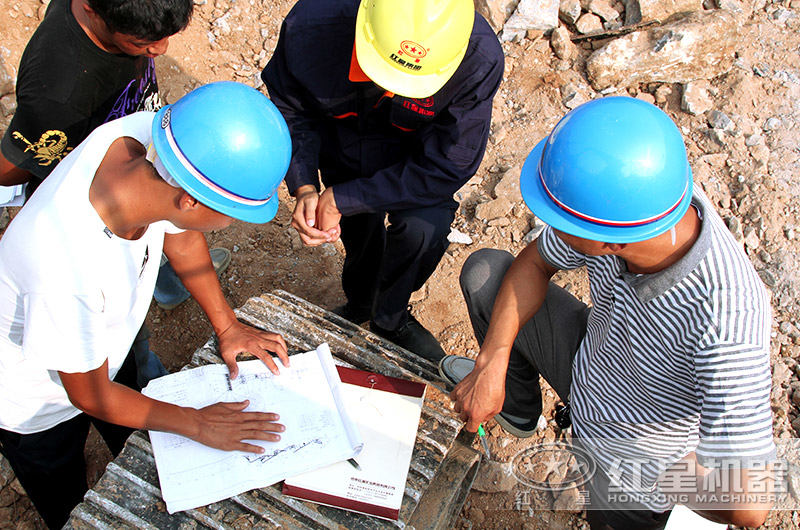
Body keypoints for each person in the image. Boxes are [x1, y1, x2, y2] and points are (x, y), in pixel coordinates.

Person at [441, 97, 775, 529]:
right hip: (594, 360)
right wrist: (492, 362)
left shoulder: (725, 320)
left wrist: (649, 475)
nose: (550, 227)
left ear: (608, 242)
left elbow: (749, 503)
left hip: (635, 452)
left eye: (559, 220)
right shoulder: (643, 199)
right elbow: (535, 263)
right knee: (487, 272)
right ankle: (520, 410)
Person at [0, 81, 293, 528]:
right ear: (191, 199)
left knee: (135, 425)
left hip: (102, 344)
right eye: (230, 213)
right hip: (36, 402)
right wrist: (197, 424)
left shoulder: (152, 142)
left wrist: (228, 325)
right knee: (64, 488)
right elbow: (90, 395)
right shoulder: (67, 270)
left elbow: (180, 230)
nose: (229, 225)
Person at [262, 0, 503, 362]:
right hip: (344, 144)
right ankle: (361, 302)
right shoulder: (312, 27)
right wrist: (306, 186)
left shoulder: (477, 57)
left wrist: (346, 197)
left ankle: (390, 318)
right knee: (358, 231)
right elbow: (292, 109)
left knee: (422, 229)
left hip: (419, 162)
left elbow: (449, 162)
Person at [0, 0, 228, 316]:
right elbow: (13, 165)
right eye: (142, 41)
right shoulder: (57, 94)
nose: (160, 49)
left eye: (165, 36)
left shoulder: (121, 14)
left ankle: (160, 277)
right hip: (100, 207)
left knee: (159, 232)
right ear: (92, 9)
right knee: (115, 303)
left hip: (131, 160)